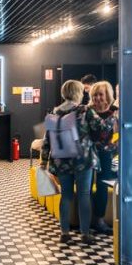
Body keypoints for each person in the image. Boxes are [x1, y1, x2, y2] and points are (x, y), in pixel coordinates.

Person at [42, 79, 112, 245]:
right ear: (79, 93)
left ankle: (64, 232)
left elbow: (47, 140)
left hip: (61, 161)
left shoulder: (55, 113)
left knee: (65, 196)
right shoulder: (84, 111)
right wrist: (113, 119)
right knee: (83, 195)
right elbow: (102, 128)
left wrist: (43, 162)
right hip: (83, 160)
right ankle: (85, 233)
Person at [88, 81, 118, 234]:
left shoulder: (115, 112)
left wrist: (114, 147)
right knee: (85, 186)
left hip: (106, 154)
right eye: (94, 95)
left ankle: (99, 219)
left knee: (102, 185)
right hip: (88, 153)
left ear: (107, 95)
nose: (97, 98)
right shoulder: (88, 111)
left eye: (100, 94)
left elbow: (122, 133)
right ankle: (86, 220)